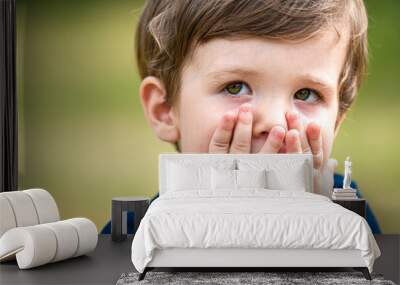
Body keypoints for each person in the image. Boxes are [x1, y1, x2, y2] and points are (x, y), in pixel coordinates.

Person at [101, 0, 381, 234]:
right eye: (235, 87)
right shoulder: (138, 231)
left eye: (306, 94)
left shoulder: (348, 214)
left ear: (336, 121)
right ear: (164, 110)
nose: (274, 122)